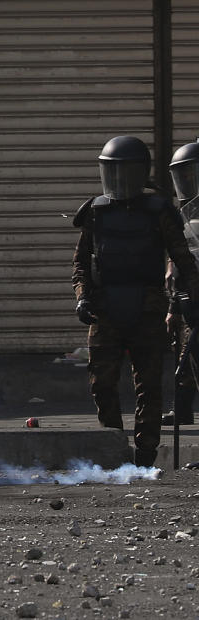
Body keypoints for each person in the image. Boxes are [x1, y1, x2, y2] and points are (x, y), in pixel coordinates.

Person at [72, 136, 199, 467]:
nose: (120, 181)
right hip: (104, 309)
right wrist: (82, 297)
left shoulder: (158, 212)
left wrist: (193, 300)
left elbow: (183, 259)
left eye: (127, 172)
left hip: (147, 307)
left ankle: (144, 458)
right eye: (113, 172)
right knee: (102, 384)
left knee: (149, 386)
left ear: (141, 174)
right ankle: (113, 449)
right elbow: (81, 263)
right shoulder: (96, 212)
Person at [163, 141, 199, 425]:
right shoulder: (183, 216)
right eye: (184, 176)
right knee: (184, 355)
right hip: (186, 297)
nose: (188, 182)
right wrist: (173, 305)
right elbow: (175, 263)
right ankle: (183, 410)